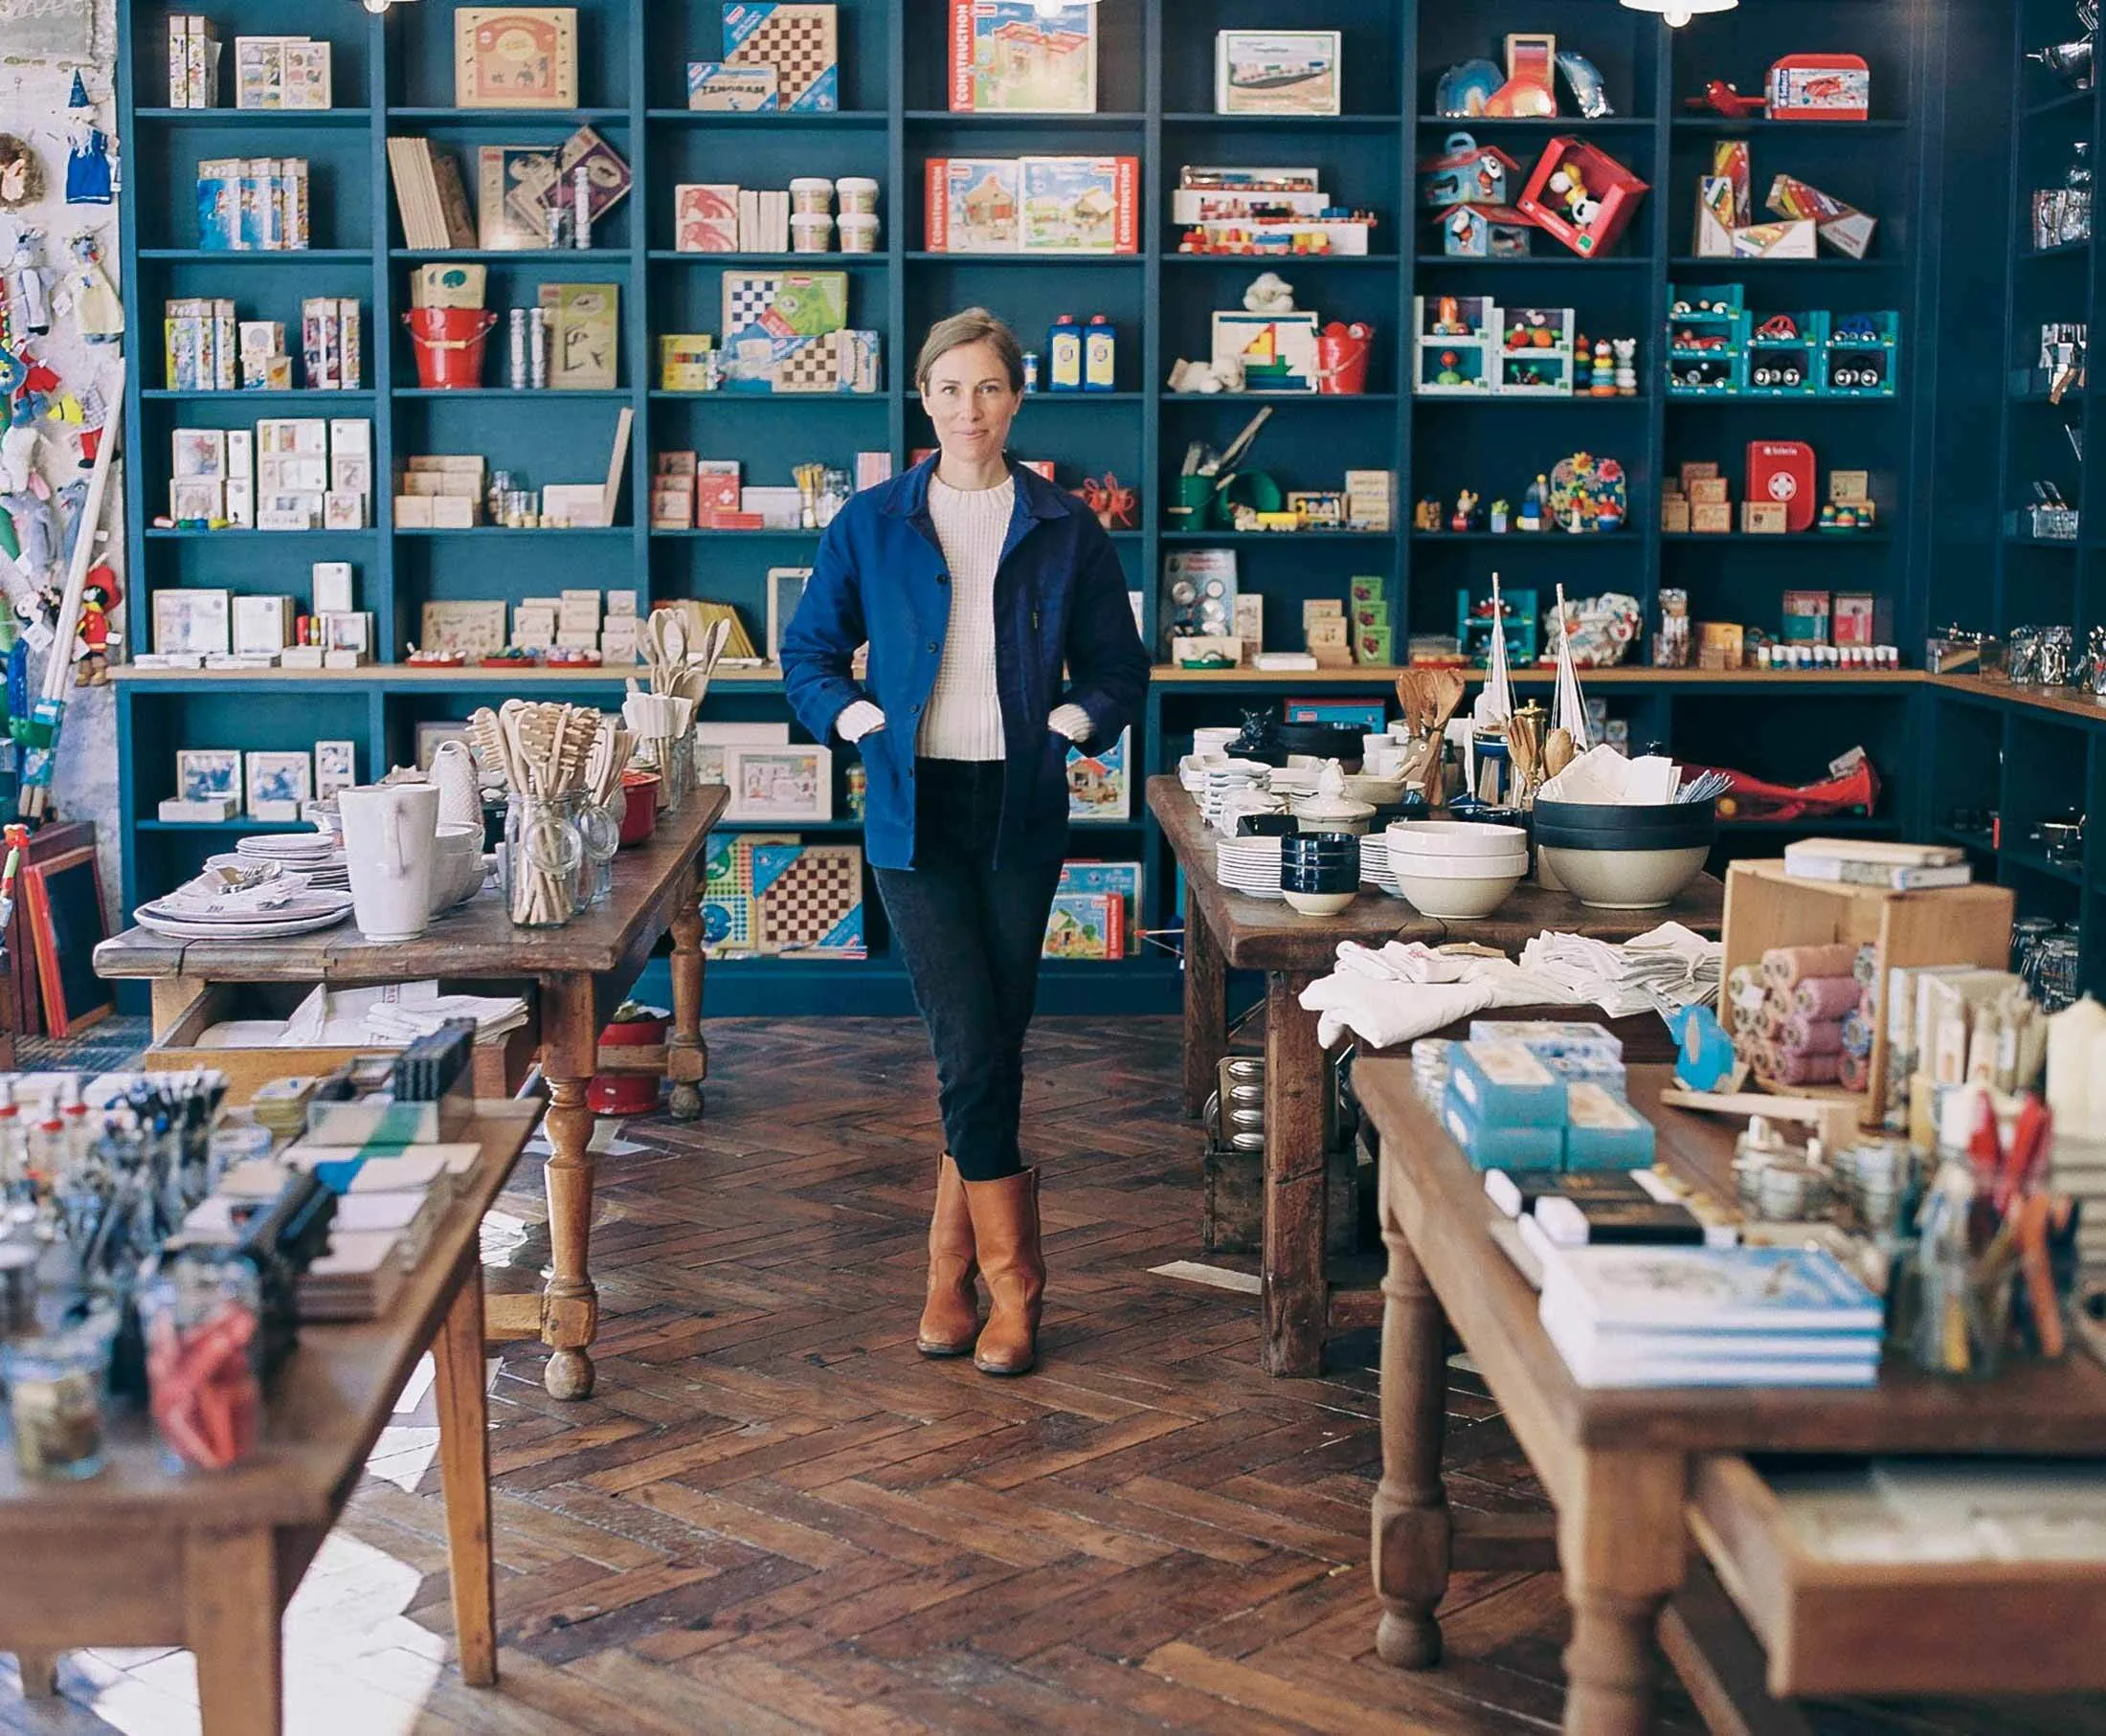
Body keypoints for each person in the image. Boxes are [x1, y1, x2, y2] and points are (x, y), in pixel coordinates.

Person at [782, 308, 1149, 1376]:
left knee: (994, 1038)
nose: (967, 408)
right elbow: (808, 652)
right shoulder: (871, 521)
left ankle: (949, 1274)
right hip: (912, 807)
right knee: (968, 1038)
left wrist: (1067, 728)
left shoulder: (1066, 527)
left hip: (1019, 806)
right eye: (948, 388)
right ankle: (1016, 1288)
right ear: (924, 399)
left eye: (986, 387)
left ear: (1014, 398)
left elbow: (1118, 669)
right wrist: (856, 721)